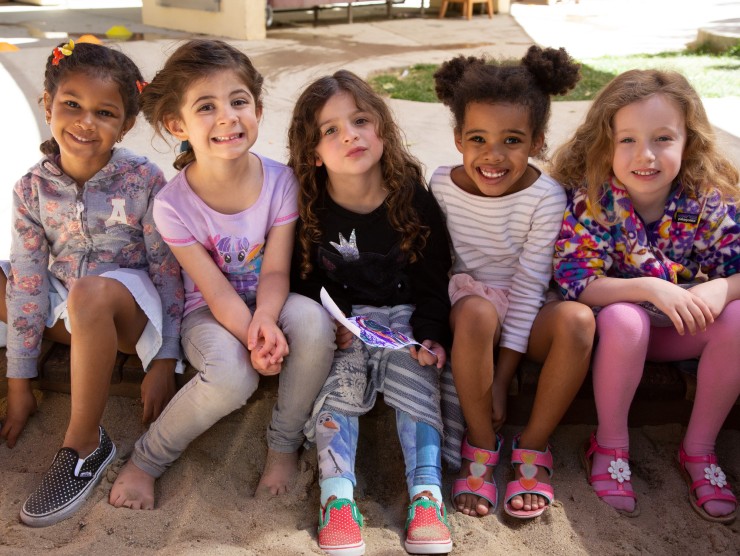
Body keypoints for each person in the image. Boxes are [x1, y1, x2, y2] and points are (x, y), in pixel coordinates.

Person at [108, 39, 336, 511]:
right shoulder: (172, 204)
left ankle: (282, 444)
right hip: (208, 314)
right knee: (233, 375)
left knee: (313, 323)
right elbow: (211, 289)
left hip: (271, 301)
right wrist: (253, 337)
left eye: (238, 101)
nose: (228, 116)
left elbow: (275, 270)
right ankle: (147, 460)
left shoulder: (281, 181)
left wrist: (266, 322)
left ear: (256, 107)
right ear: (177, 124)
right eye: (206, 107)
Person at [0, 41, 183, 527]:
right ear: (48, 104)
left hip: (126, 314)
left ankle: (84, 445)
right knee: (17, 276)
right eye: (72, 105)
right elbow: (26, 282)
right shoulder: (31, 189)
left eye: (105, 113)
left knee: (90, 292)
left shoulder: (143, 178)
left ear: (125, 125)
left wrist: (166, 358)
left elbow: (167, 270)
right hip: (70, 309)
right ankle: (35, 360)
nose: (85, 122)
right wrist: (20, 383)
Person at [552, 69, 739, 524]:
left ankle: (699, 450)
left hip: (678, 332)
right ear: (605, 144)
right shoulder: (593, 200)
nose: (646, 156)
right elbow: (575, 280)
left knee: (738, 319)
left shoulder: (706, 201)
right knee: (623, 318)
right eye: (628, 140)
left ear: (688, 143)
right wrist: (649, 286)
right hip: (614, 337)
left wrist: (722, 286)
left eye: (662, 139)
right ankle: (610, 443)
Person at [288, 70, 454, 555]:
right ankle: (337, 498)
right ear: (314, 151)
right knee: (336, 383)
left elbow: (433, 275)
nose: (350, 135)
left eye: (360, 119)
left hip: (406, 316)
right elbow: (304, 275)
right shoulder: (310, 204)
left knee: (417, 375)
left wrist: (428, 333)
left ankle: (426, 493)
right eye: (330, 130)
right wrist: (336, 318)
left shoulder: (413, 197)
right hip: (346, 322)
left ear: (382, 126)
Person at [430, 46, 592, 520]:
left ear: (537, 142)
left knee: (579, 320)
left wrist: (502, 379)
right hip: (471, 304)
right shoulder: (441, 185)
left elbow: (528, 286)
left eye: (513, 141)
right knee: (478, 311)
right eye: (477, 138)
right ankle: (480, 444)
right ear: (458, 138)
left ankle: (533, 447)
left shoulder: (546, 197)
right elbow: (437, 265)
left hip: (526, 306)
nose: (493, 155)